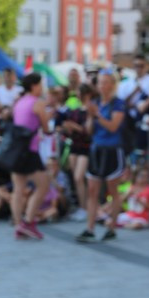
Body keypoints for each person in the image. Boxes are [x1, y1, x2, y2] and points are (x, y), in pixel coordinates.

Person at [76, 70, 125, 243]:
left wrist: (97, 114)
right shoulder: (96, 103)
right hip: (96, 149)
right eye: (100, 83)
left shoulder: (117, 104)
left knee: (112, 191)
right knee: (92, 191)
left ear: (112, 84)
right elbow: (89, 130)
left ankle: (111, 226)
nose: (103, 86)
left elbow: (113, 127)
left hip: (112, 150)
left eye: (106, 82)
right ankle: (90, 228)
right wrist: (90, 117)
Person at [8, 73, 51, 240]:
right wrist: (49, 116)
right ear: (34, 86)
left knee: (18, 188)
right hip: (30, 151)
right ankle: (28, 221)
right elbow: (46, 128)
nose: (42, 88)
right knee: (43, 185)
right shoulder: (38, 103)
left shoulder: (18, 102)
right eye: (40, 85)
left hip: (16, 150)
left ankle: (19, 224)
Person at [57, 82, 92, 221]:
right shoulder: (74, 109)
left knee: (79, 177)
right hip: (74, 145)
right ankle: (81, 206)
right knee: (75, 178)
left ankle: (86, 207)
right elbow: (66, 125)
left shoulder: (90, 110)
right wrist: (68, 127)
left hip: (85, 146)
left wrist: (75, 127)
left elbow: (87, 131)